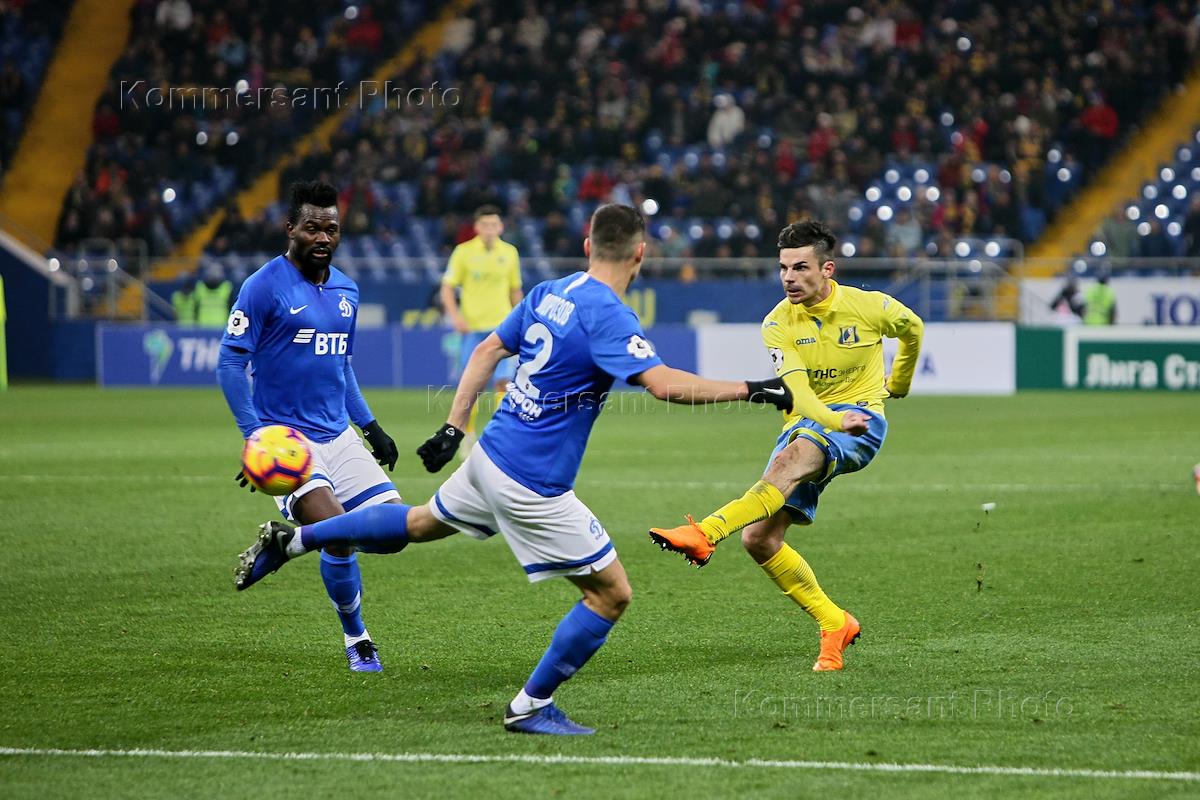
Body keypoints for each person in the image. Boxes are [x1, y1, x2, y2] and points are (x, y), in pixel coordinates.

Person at [231, 203, 794, 734]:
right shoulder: (608, 314)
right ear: (641, 254)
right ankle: (530, 706)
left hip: (490, 455)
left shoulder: (552, 291)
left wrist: (454, 428)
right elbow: (665, 385)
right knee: (611, 594)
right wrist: (753, 387)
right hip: (532, 482)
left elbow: (485, 351)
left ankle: (295, 540)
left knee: (417, 523)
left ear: (587, 245)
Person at [649, 220, 924, 672]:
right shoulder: (778, 323)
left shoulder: (870, 307)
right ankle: (835, 622)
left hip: (861, 420)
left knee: (792, 458)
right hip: (813, 420)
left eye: (800, 267)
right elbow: (799, 392)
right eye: (783, 268)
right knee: (760, 539)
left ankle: (706, 533)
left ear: (827, 269)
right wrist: (832, 419)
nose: (789, 278)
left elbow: (912, 328)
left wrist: (900, 382)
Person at [221, 180, 402, 672]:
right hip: (289, 443)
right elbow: (230, 363)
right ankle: (357, 638)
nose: (323, 237)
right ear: (290, 228)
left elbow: (341, 365)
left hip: (339, 434)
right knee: (338, 534)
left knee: (395, 532)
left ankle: (287, 545)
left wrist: (370, 425)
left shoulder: (347, 290)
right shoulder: (262, 286)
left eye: (331, 229)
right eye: (312, 228)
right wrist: (255, 436)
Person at [439, 205, 523, 444]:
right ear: (477, 227)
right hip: (473, 330)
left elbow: (515, 290)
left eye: (493, 224)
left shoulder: (510, 252)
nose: (489, 229)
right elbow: (447, 287)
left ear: (501, 227)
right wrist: (455, 316)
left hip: (502, 329)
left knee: (503, 382)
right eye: (485, 225)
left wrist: (521, 320)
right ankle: (467, 435)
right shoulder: (463, 252)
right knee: (471, 386)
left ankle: (500, 436)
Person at [193, 263, 233, 328]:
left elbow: (232, 308)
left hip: (221, 327)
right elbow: (195, 308)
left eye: (217, 271)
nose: (214, 273)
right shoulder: (200, 287)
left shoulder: (227, 287)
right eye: (213, 271)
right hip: (202, 327)